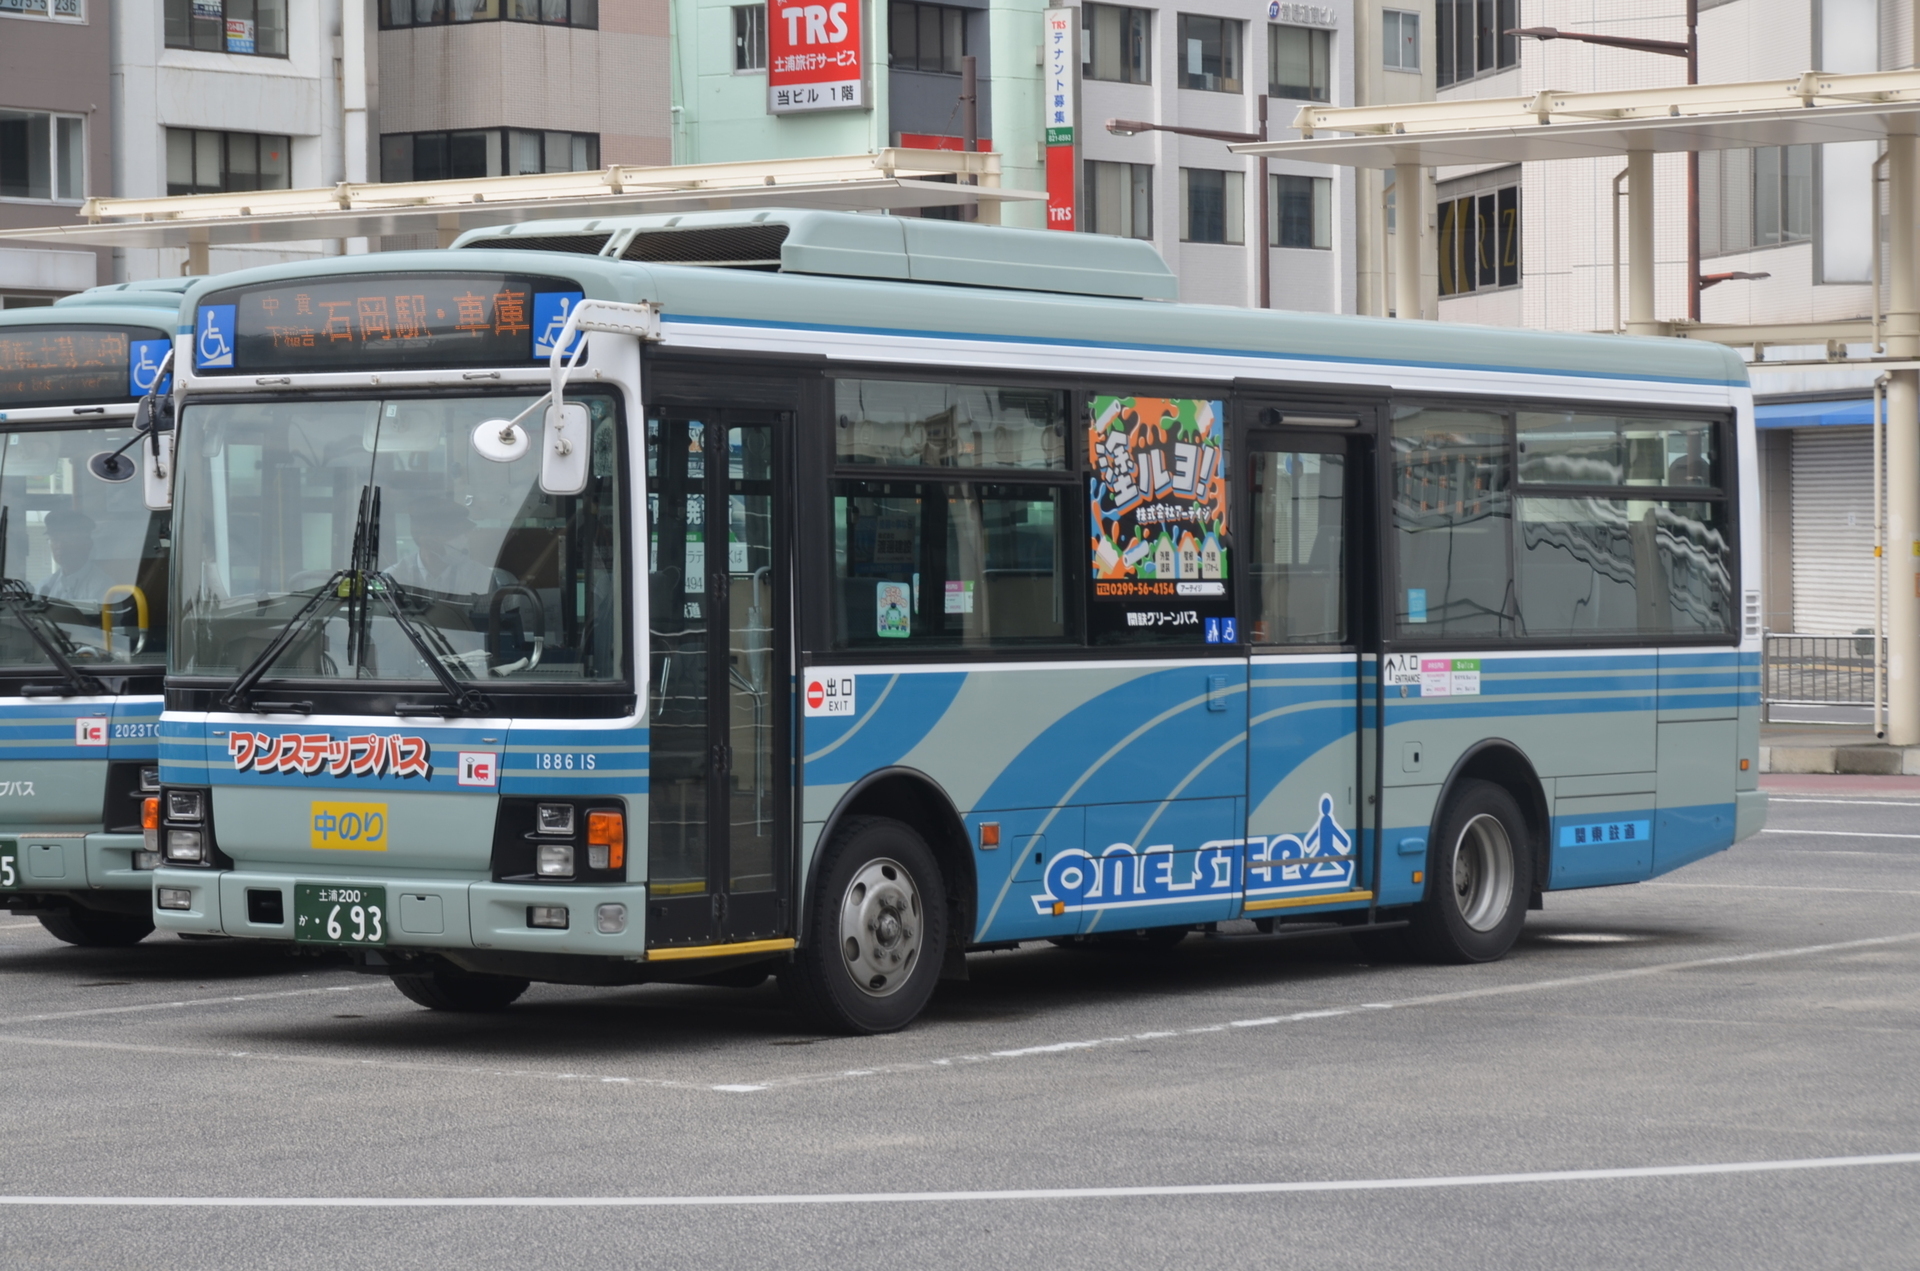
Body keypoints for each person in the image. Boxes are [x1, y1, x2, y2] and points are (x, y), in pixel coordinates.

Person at [385, 495, 513, 598]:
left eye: (463, 533)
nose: (463, 539)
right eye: (453, 533)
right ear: (427, 540)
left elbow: (490, 627)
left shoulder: (481, 578)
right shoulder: (394, 579)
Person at [37, 509, 115, 606]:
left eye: (67, 539)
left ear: (87, 544)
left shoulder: (103, 587)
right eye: (55, 539)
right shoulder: (45, 586)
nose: (59, 546)